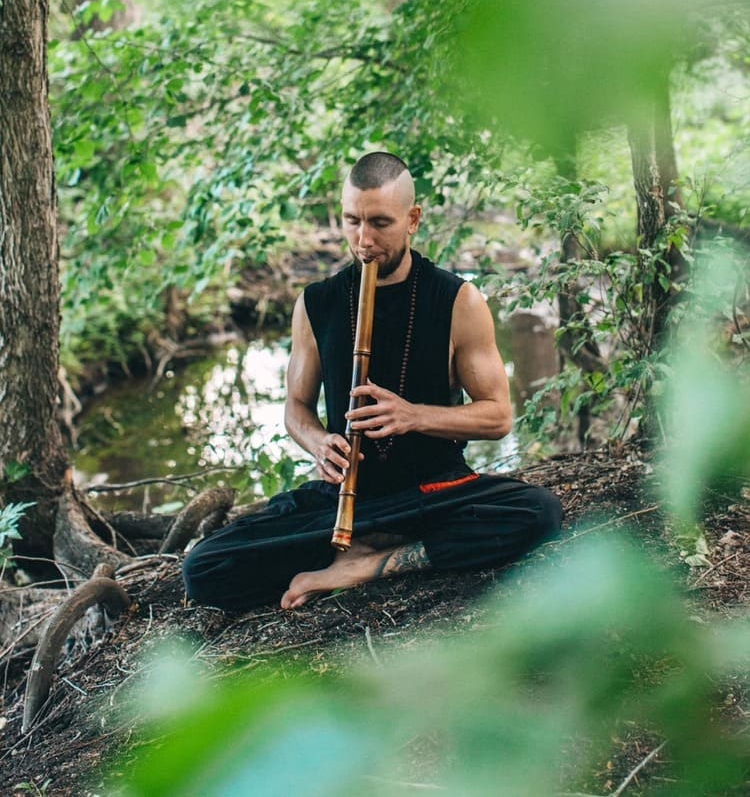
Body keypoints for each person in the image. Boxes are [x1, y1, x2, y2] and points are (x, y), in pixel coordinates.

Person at [182, 152, 562, 611]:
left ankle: (364, 564)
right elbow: (296, 409)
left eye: (380, 223)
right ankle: (355, 546)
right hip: (344, 498)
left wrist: (413, 416)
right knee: (204, 568)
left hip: (432, 494)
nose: (363, 240)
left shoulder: (457, 300)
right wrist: (319, 443)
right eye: (351, 222)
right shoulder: (317, 303)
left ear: (413, 219)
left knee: (538, 512)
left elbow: (498, 416)